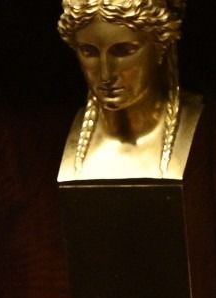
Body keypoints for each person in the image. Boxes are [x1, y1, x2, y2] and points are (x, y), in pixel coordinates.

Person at [55, 0, 197, 181]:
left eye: (123, 51)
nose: (106, 75)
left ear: (161, 45)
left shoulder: (213, 134)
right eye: (89, 52)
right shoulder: (49, 139)